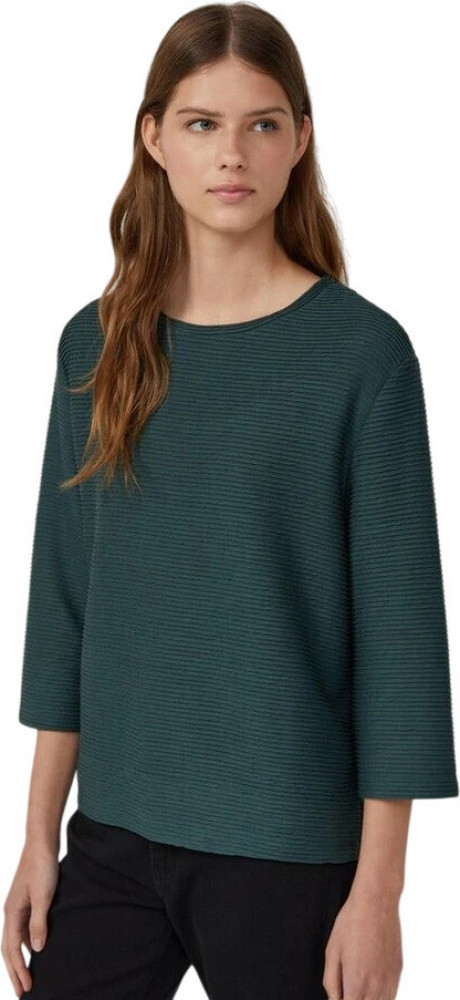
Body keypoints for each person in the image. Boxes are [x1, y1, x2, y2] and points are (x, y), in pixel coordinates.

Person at [2, 4, 458, 999]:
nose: (232, 154)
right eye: (202, 123)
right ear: (153, 137)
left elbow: (401, 650)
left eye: (262, 123)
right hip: (112, 837)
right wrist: (38, 836)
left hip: (287, 847)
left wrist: (379, 894)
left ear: (300, 139)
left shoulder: (362, 359)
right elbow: (65, 607)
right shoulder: (95, 347)